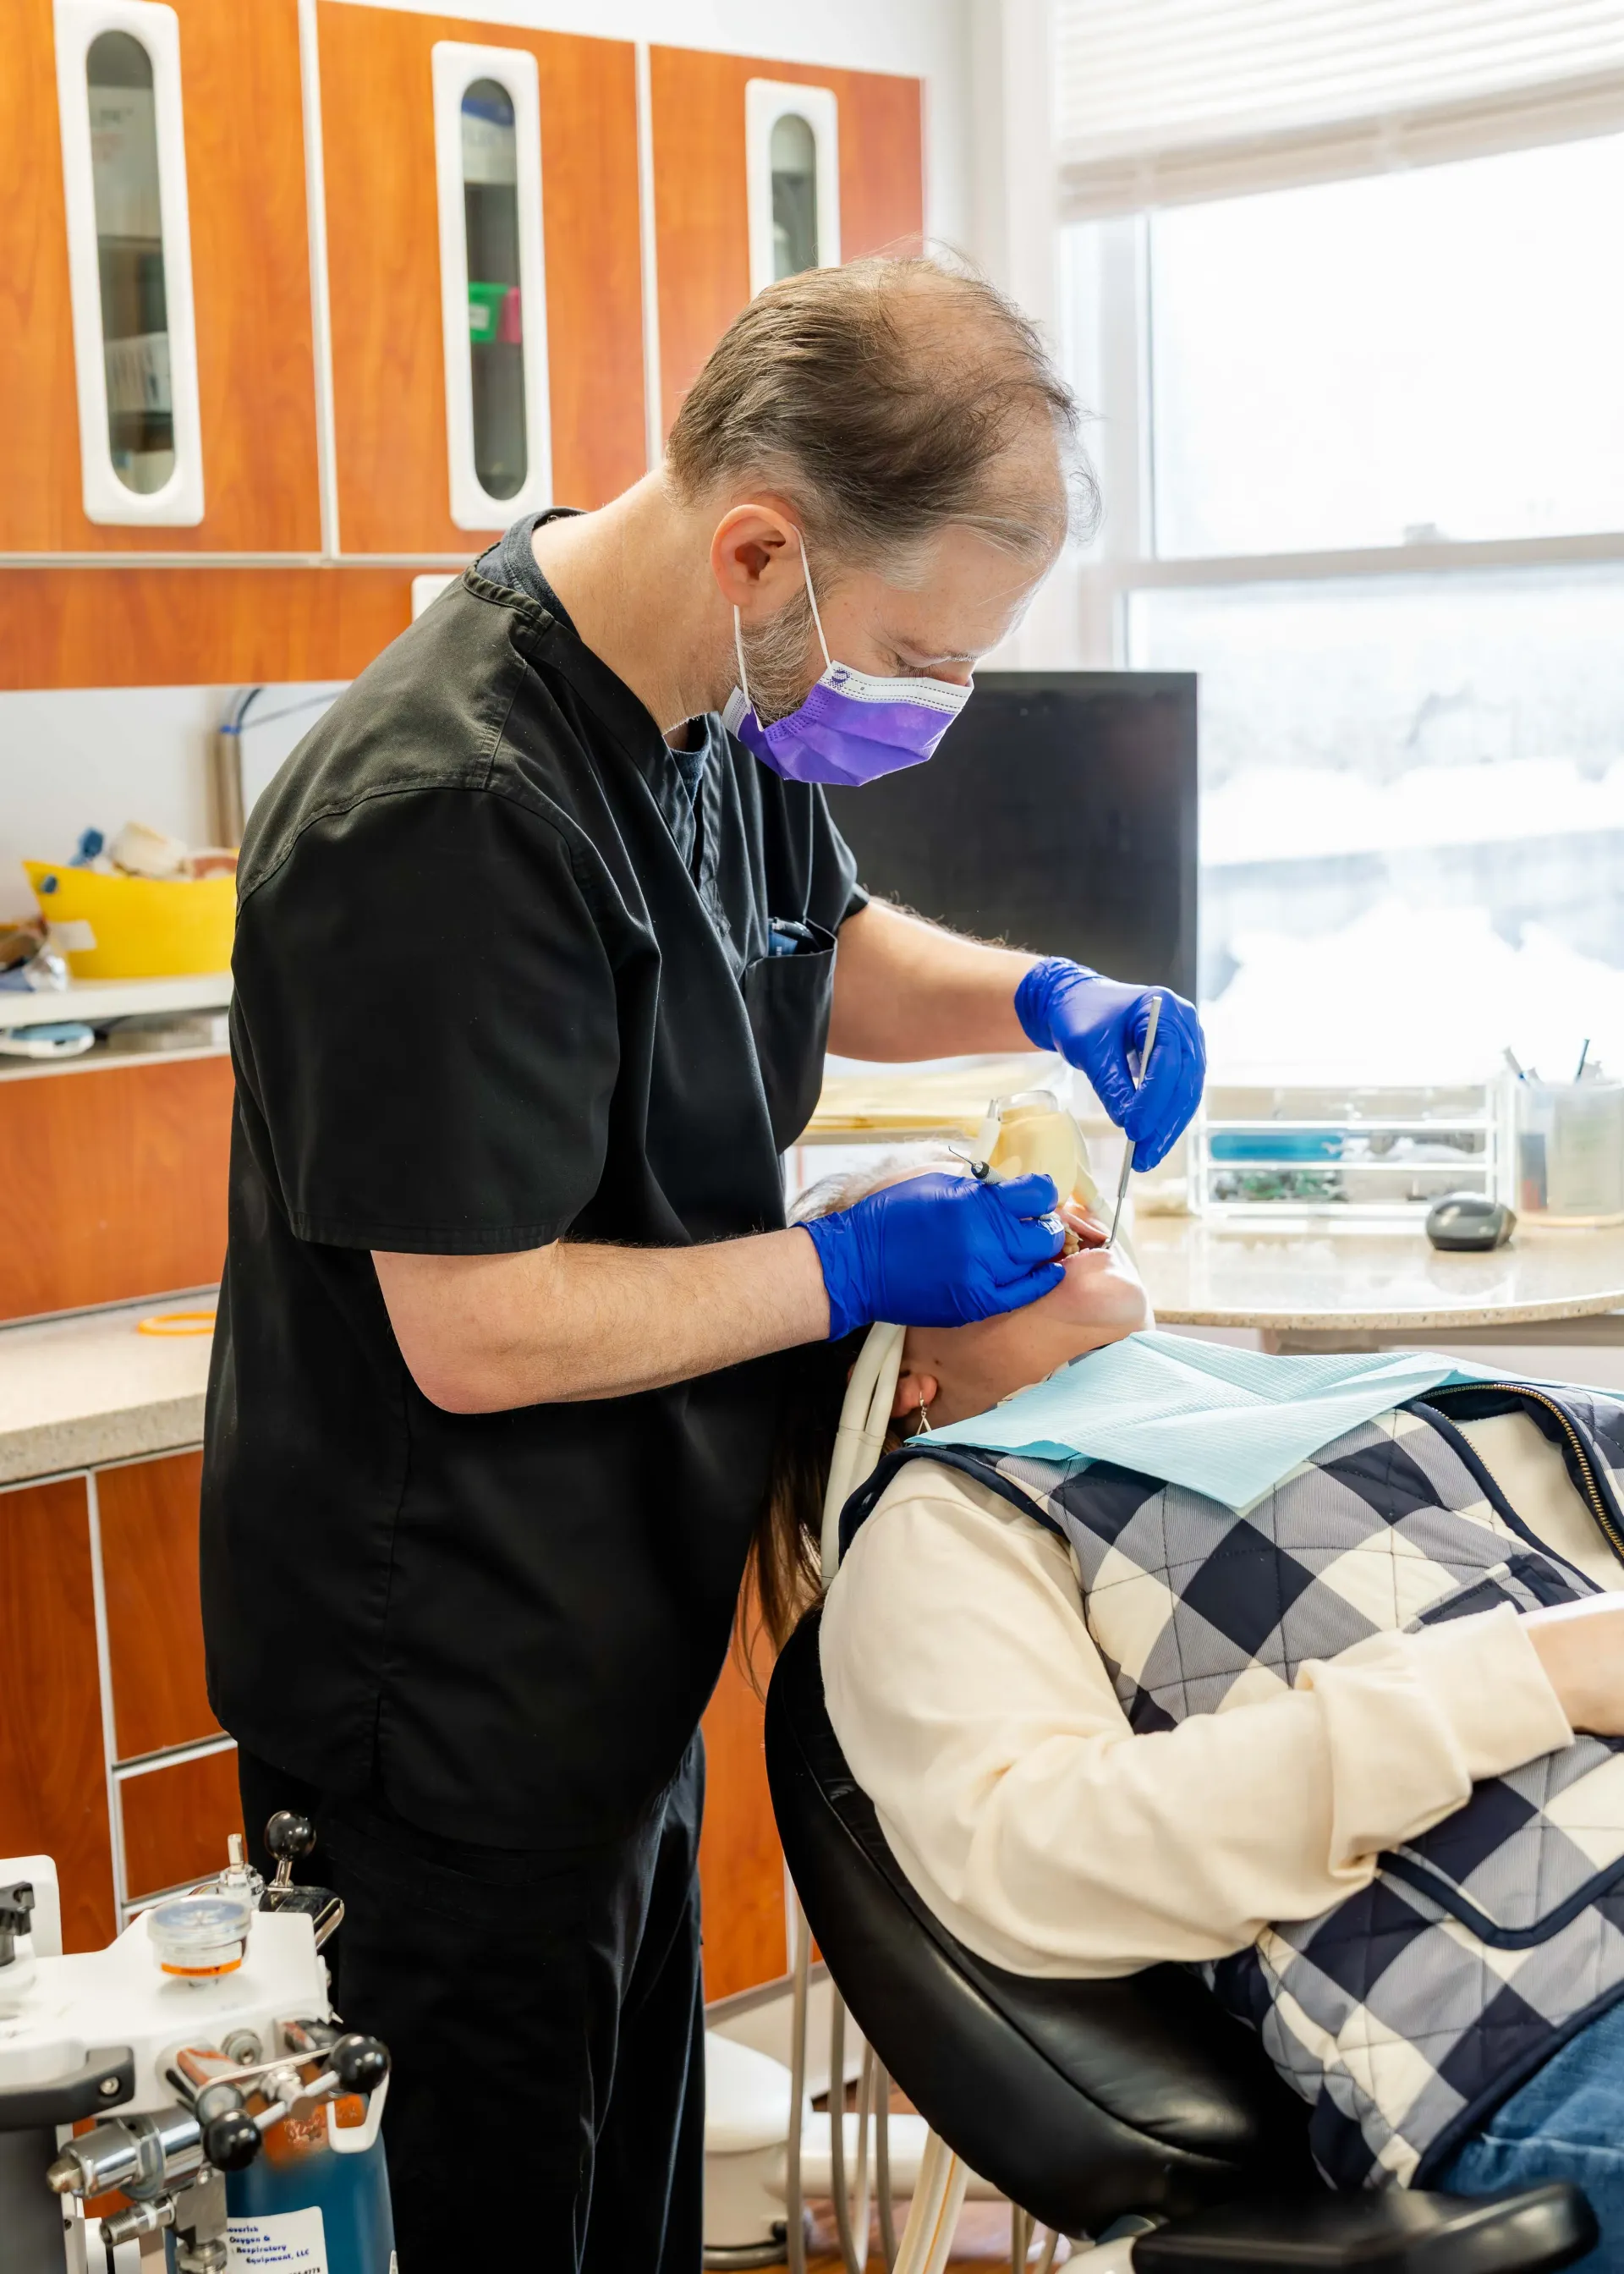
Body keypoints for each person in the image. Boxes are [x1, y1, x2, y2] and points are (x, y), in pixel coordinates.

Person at [200, 255, 1208, 2268]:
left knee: (625, 2215)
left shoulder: (712, 692)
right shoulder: (446, 812)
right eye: (922, 650)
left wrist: (1045, 991)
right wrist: (850, 1268)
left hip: (607, 1664)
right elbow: (481, 1329)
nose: (937, 699)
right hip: (448, 1702)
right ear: (764, 549)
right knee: (502, 2223)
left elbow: (815, 945)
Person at [788, 1153, 1624, 2263]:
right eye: (965, 1225)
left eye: (1024, 1188)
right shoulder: (955, 1518)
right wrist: (1534, 1674)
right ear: (903, 1376)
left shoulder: (1374, 1399)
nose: (1048, 1211)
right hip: (1550, 2024)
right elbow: (1040, 1847)